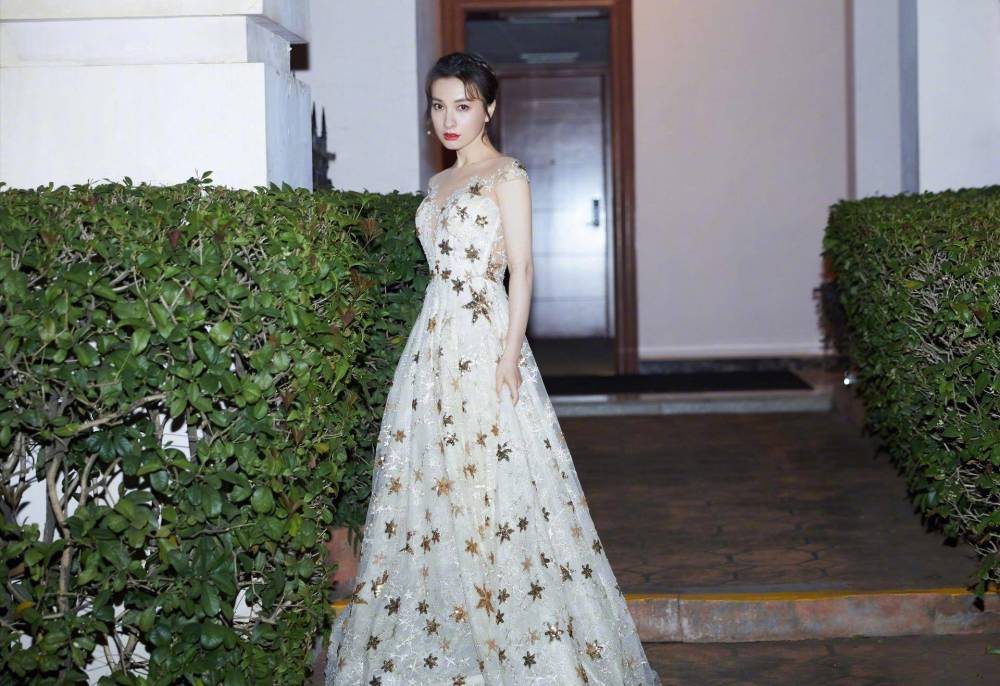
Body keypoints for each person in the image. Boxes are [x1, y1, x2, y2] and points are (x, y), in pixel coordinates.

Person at [324, 51, 661, 686]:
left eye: (463, 105)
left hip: (485, 339)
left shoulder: (508, 174)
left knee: (495, 481)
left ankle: (519, 632)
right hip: (433, 345)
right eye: (439, 106)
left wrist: (508, 355)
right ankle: (451, 634)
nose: (449, 119)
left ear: (489, 109)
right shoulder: (437, 184)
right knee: (435, 484)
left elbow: (523, 269)